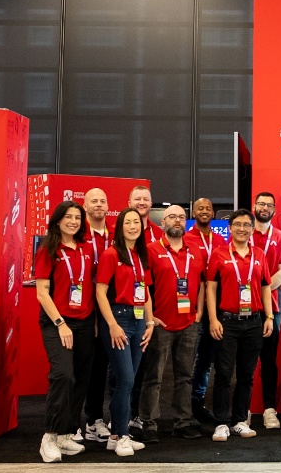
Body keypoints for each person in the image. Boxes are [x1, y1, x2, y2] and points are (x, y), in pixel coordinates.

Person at [34, 201, 97, 463]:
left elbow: (90, 285)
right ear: (58, 220)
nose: (73, 221)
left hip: (84, 323)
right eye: (68, 217)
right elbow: (41, 293)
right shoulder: (48, 249)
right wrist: (61, 324)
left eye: (77, 218)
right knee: (63, 375)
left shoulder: (85, 249)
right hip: (57, 322)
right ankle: (49, 436)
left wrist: (93, 322)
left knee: (81, 379)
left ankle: (66, 433)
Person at [138, 205, 205, 440]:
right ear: (163, 221)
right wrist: (150, 318)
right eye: (172, 217)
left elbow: (204, 283)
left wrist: (200, 311)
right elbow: (144, 286)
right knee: (153, 376)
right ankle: (148, 423)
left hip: (189, 323)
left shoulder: (196, 250)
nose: (178, 221)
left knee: (185, 375)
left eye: (182, 217)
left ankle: (182, 421)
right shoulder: (151, 250)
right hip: (161, 323)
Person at [206, 209, 274, 442]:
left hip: (254, 322)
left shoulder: (260, 255)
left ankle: (238, 421)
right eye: (237, 224)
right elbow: (211, 287)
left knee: (247, 375)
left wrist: (269, 316)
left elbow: (266, 286)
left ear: (252, 228)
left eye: (246, 225)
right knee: (224, 374)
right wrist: (213, 318)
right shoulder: (219, 253)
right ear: (230, 227)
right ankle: (221, 423)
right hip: (227, 322)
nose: (242, 229)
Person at [95, 207, 156, 456]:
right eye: (127, 222)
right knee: (126, 380)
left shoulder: (141, 255)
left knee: (129, 382)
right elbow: (100, 292)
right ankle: (120, 435)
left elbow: (146, 292)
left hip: (140, 320)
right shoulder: (111, 254)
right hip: (119, 319)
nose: (133, 226)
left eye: (136, 222)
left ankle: (118, 435)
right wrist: (111, 324)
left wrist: (151, 323)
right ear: (119, 227)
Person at [125, 185, 162, 441]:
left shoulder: (158, 234)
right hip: (123, 312)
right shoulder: (120, 234)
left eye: (145, 199)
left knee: (144, 367)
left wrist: (152, 315)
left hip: (150, 311)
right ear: (129, 202)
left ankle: (137, 415)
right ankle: (121, 417)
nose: (141, 202)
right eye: (137, 199)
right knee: (123, 370)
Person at [185, 197, 226, 425]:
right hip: (194, 307)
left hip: (218, 306)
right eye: (200, 208)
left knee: (207, 358)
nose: (204, 211)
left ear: (213, 213)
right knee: (187, 358)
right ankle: (184, 405)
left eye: (208, 208)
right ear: (194, 211)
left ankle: (198, 401)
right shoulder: (186, 239)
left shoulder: (220, 240)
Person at [251, 191, 281, 430]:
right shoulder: (243, 232)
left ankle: (269, 409)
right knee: (244, 360)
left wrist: (261, 289)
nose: (264, 208)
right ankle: (242, 411)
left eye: (269, 205)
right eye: (261, 203)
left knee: (269, 360)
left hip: (273, 305)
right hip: (244, 305)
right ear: (254, 206)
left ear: (274, 209)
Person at [80, 188, 113, 445]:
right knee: (82, 369)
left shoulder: (115, 236)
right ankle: (76, 422)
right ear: (85, 205)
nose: (99, 205)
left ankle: (95, 420)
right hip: (81, 309)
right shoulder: (78, 235)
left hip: (109, 308)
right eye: (94, 201)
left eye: (102, 201)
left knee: (102, 367)